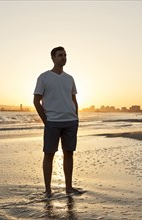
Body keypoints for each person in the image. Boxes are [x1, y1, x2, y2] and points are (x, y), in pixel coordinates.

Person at [33, 46, 80, 198]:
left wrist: (76, 117)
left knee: (69, 154)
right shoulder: (44, 77)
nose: (63, 57)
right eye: (60, 55)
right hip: (52, 122)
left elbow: (73, 99)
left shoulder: (69, 78)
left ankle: (69, 187)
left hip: (70, 121)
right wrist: (46, 121)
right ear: (53, 58)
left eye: (65, 55)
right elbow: (36, 101)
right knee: (49, 154)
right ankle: (48, 190)